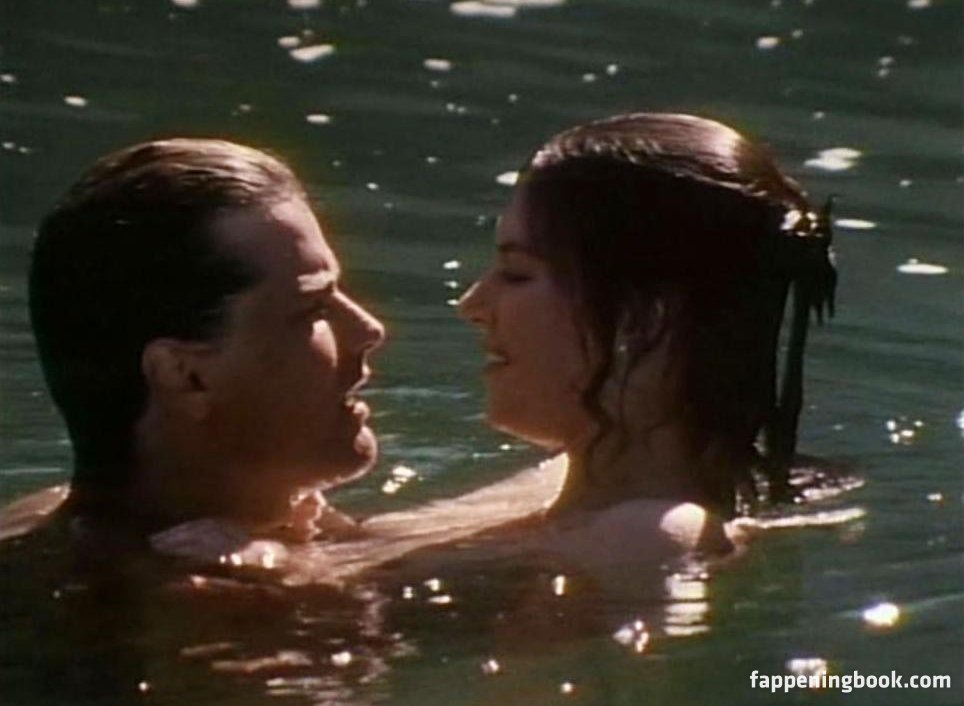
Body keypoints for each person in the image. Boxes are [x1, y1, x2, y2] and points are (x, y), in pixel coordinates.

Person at [452, 111, 837, 557]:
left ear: (646, 316)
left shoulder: (647, 534)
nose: (471, 305)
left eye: (517, 274)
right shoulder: (558, 484)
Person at [8, 138, 385, 552]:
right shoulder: (209, 586)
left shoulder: (48, 525)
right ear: (185, 376)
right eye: (313, 309)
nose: (369, 330)